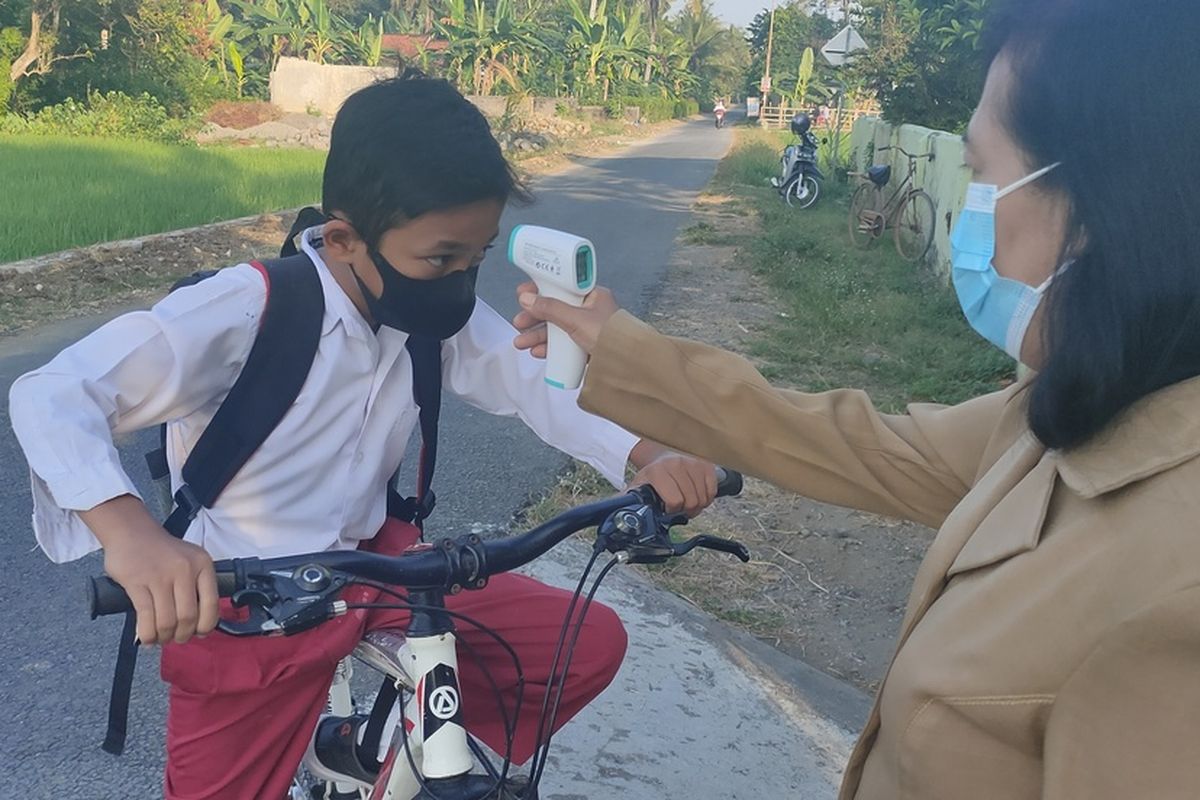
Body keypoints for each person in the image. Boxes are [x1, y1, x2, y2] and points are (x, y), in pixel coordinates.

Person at [512, 0, 1200, 796]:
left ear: (1112, 201)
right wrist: (627, 351)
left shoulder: (1175, 595)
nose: (971, 224)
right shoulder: (1082, 406)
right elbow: (851, 442)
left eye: (983, 175)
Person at [7, 74, 718, 800]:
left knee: (580, 647)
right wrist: (132, 535)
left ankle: (368, 743)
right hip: (251, 601)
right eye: (441, 259)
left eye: (477, 257)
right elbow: (52, 394)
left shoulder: (429, 314)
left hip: (378, 573)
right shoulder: (244, 310)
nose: (461, 281)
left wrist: (646, 453)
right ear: (345, 239)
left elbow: (531, 382)